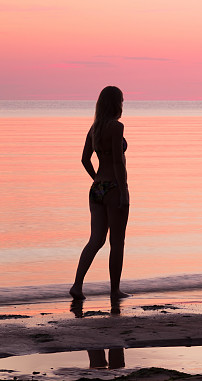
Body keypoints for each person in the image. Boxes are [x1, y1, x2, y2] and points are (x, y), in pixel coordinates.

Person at [70, 86, 130, 300]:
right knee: (117, 242)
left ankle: (77, 286)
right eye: (121, 101)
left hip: (97, 189)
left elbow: (85, 159)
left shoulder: (94, 128)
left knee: (95, 240)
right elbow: (117, 162)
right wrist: (123, 192)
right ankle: (115, 291)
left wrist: (97, 178)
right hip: (114, 187)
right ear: (115, 104)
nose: (123, 105)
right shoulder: (116, 127)